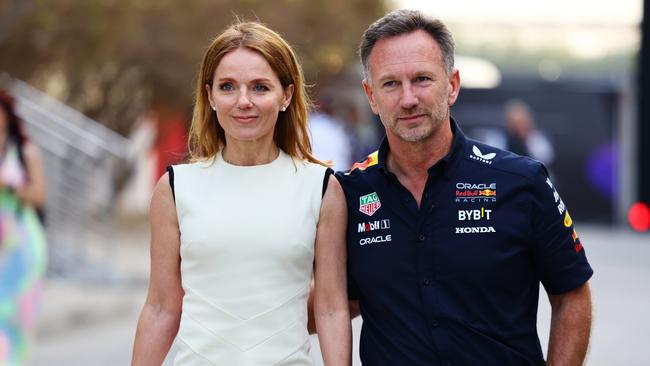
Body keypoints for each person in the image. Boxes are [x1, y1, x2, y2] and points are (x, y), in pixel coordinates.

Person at [335, 10, 593, 365]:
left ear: (452, 84)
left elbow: (572, 295)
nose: (408, 98)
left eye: (422, 79)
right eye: (390, 83)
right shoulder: (347, 193)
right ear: (371, 95)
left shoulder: (522, 181)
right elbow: (335, 303)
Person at [131, 21, 351, 366]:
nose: (243, 101)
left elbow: (331, 309)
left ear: (286, 96)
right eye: (228, 87)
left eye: (260, 87)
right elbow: (161, 307)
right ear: (210, 96)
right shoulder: (174, 188)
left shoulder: (322, 187)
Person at [0, 90, 47, 366]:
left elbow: (39, 195)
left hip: (21, 244)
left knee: (13, 313)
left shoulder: (25, 152)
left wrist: (9, 187)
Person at [503, 99, 555, 166]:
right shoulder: (500, 137)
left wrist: (527, 139)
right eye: (514, 124)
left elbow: (546, 158)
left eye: (521, 123)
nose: (518, 127)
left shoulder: (537, 138)